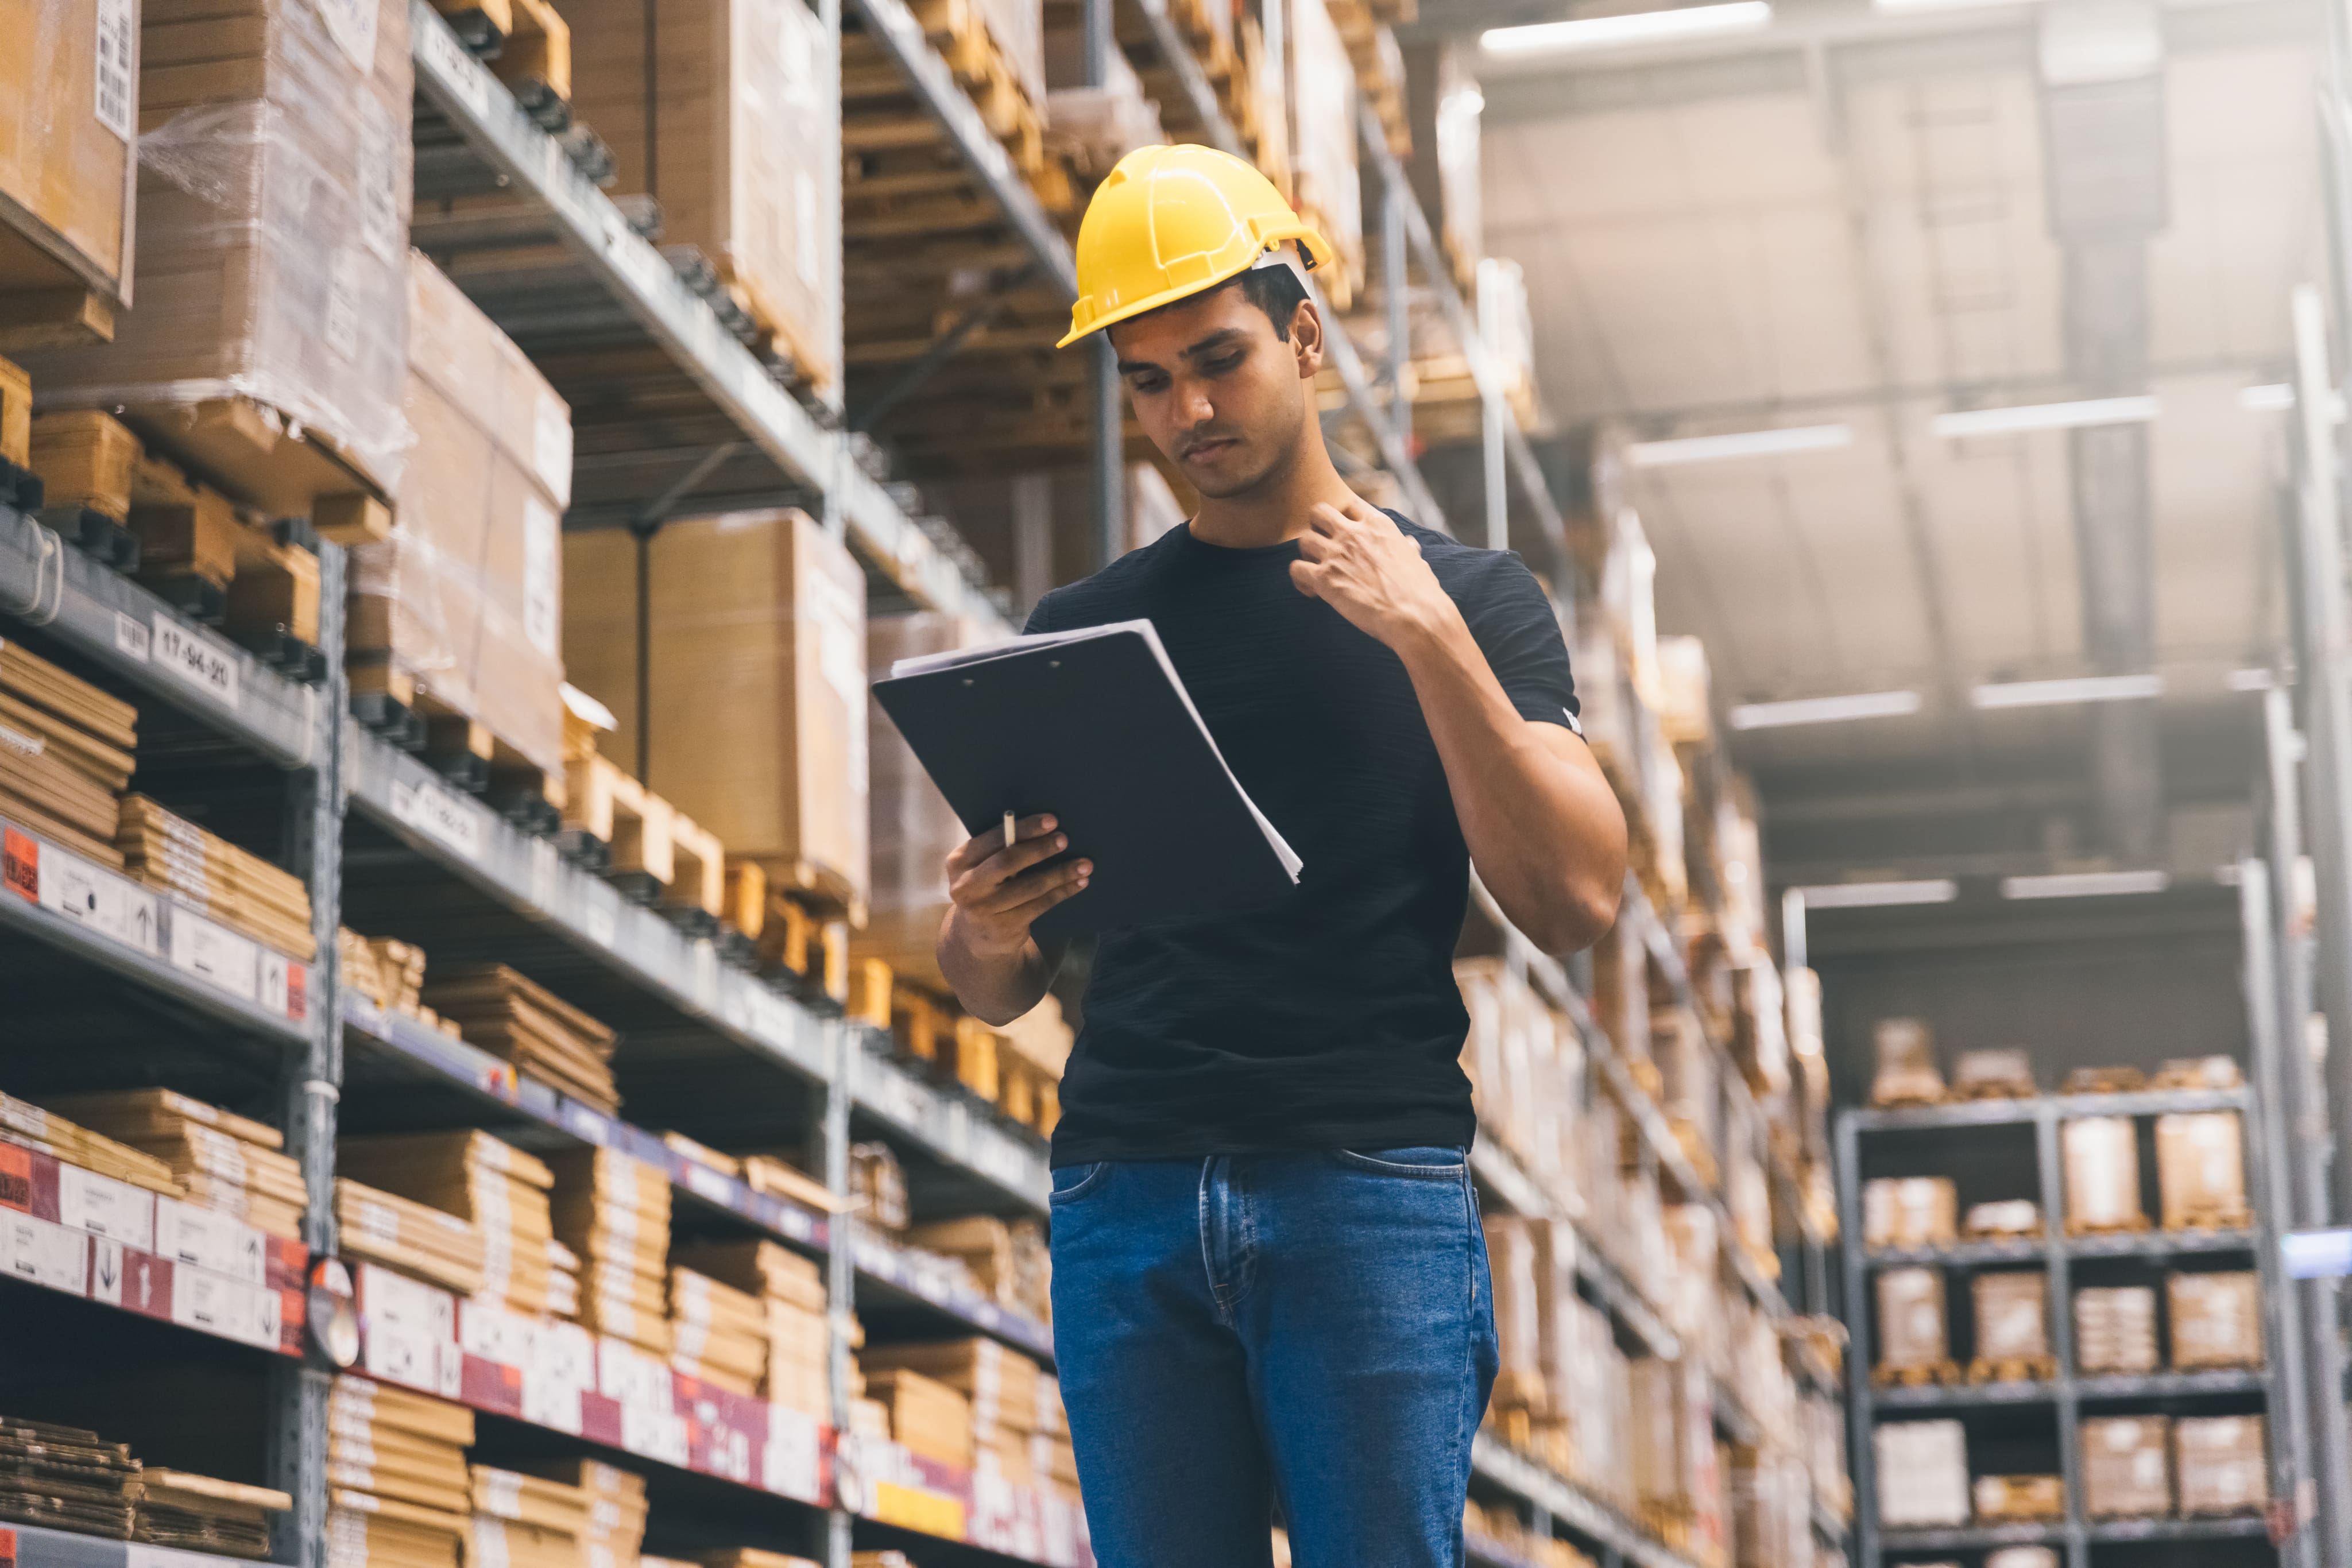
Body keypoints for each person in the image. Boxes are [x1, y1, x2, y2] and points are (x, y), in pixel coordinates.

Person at [934, 145, 1628, 1568]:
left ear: (1304, 335)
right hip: (1126, 1193)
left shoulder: (1475, 601)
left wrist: (1422, 632)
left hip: (1360, 1187)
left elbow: (1576, 894)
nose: (1186, 410)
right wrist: (987, 928)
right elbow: (998, 985)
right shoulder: (1086, 630)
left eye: (1218, 359)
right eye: (1145, 381)